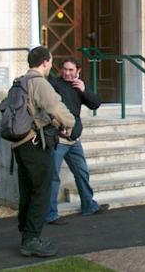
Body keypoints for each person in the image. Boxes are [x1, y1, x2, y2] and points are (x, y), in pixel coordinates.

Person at [13, 46, 75, 257]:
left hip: (19, 143)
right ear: (46, 62)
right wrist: (71, 123)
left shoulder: (20, 81)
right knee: (41, 190)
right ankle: (32, 239)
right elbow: (55, 106)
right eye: (50, 62)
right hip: (34, 143)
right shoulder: (39, 82)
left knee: (28, 189)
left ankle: (26, 233)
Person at [45, 57, 108, 226]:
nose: (67, 72)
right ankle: (50, 214)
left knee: (82, 173)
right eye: (65, 69)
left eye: (71, 70)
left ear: (78, 71)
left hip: (74, 140)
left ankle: (89, 206)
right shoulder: (54, 84)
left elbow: (95, 104)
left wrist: (84, 90)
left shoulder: (78, 86)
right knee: (53, 177)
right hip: (58, 139)